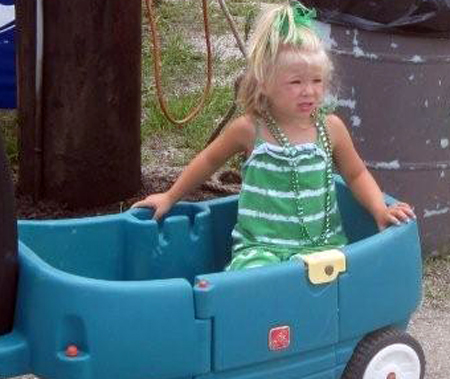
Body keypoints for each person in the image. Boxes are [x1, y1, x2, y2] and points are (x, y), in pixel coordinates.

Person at [133, 1, 415, 270]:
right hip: (260, 248)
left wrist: (379, 209)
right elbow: (208, 161)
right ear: (264, 84)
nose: (309, 91)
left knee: (339, 282)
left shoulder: (330, 128)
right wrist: (170, 197)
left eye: (317, 81)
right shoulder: (250, 129)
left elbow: (355, 175)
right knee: (252, 283)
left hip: (321, 246)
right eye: (295, 82)